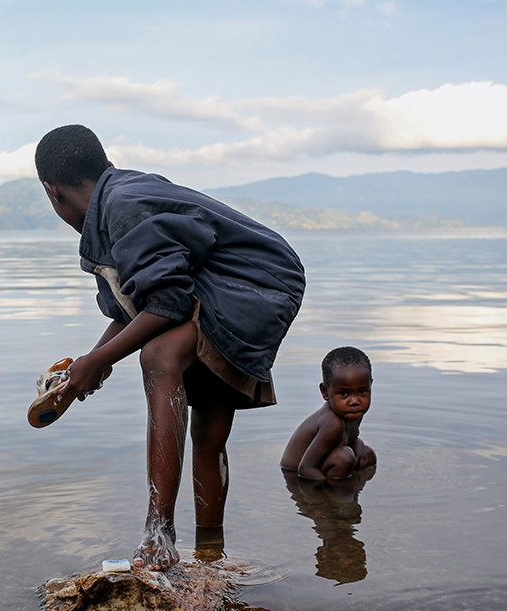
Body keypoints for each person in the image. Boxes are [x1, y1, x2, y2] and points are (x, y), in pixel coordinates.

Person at [34, 124, 305, 570]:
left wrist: (100, 359)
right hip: (242, 285)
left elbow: (167, 302)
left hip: (256, 286)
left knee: (160, 357)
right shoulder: (118, 199)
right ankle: (211, 557)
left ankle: (158, 536)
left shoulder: (122, 206)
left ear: (52, 191)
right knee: (208, 426)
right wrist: (92, 364)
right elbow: (134, 307)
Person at [280, 346, 377, 481]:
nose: (354, 401)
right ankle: (340, 497)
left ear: (370, 386)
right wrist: (332, 495)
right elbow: (306, 468)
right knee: (344, 458)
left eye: (362, 392)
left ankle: (352, 492)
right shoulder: (332, 423)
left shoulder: (353, 412)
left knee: (368, 454)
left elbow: (346, 439)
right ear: (325, 392)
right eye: (344, 394)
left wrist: (358, 443)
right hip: (296, 476)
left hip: (318, 465)